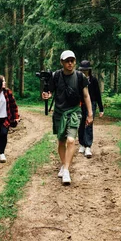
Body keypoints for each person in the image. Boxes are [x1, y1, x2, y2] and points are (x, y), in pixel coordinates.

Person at [42, 50, 93, 185]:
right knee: (61, 141)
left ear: (75, 62)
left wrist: (90, 113)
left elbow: (86, 96)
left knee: (71, 140)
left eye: (72, 61)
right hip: (59, 113)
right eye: (67, 61)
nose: (70, 63)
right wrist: (47, 95)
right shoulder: (56, 76)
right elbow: (50, 92)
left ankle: (66, 170)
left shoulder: (80, 77)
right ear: (62, 62)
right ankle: (64, 164)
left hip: (75, 112)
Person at [77, 60, 104, 158]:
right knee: (80, 123)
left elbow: (98, 94)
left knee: (89, 124)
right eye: (82, 70)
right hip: (80, 104)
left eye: (86, 70)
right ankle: (82, 144)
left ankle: (88, 146)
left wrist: (101, 108)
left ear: (89, 70)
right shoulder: (77, 79)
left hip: (91, 103)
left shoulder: (93, 80)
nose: (84, 72)